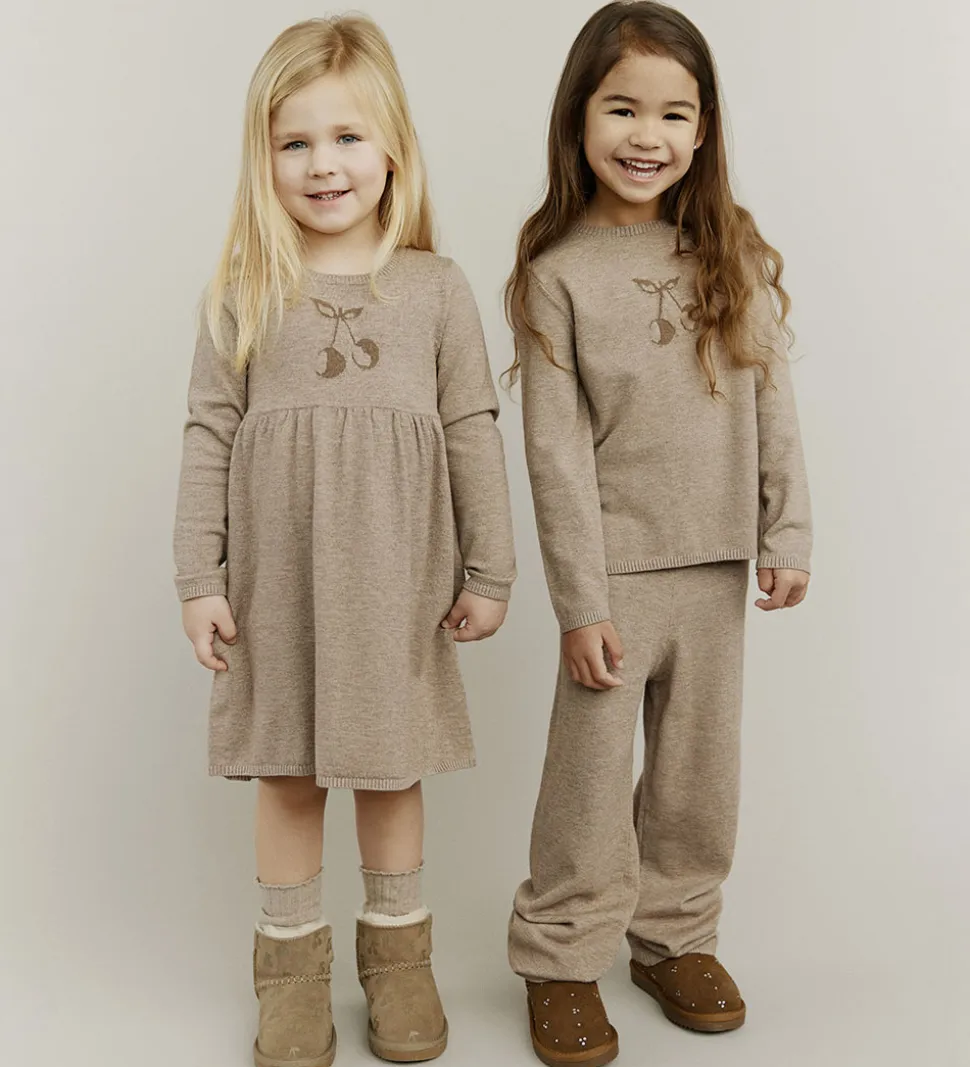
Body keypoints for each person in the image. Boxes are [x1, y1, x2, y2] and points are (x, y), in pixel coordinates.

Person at [173, 16, 516, 1066]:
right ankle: (289, 973)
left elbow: (473, 429)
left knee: (388, 768)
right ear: (263, 156)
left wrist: (490, 567)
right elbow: (208, 431)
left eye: (347, 137)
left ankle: (398, 960)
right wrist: (198, 575)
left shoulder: (436, 288)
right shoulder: (245, 289)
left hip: (394, 585)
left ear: (393, 149)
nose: (323, 164)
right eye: (295, 142)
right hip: (277, 584)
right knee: (287, 774)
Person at [504, 3, 812, 1063]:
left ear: (703, 127)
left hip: (717, 564)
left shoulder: (730, 253)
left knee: (696, 776)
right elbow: (553, 453)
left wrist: (786, 528)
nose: (648, 135)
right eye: (622, 108)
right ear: (579, 118)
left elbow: (772, 400)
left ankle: (674, 936)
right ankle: (559, 956)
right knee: (589, 781)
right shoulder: (556, 274)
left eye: (674, 113)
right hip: (617, 573)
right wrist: (580, 600)